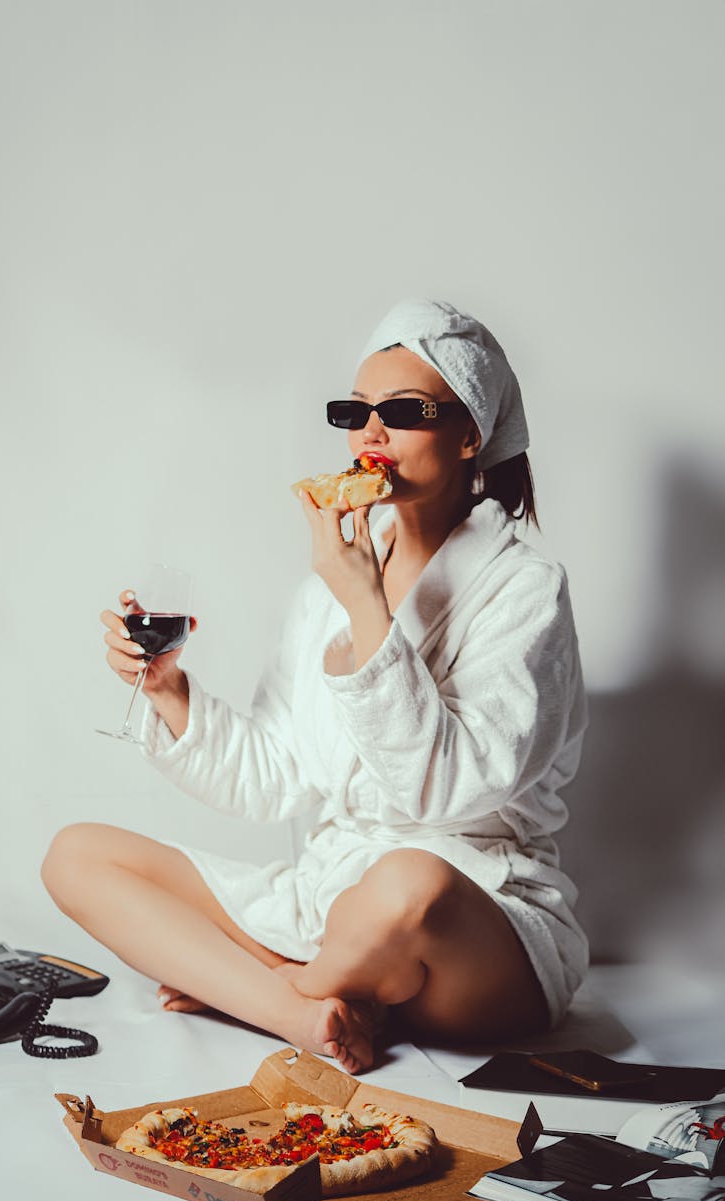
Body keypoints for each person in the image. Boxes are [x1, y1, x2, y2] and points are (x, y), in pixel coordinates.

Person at [41, 298, 589, 1075]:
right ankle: (305, 1011)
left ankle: (256, 992)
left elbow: (446, 792)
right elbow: (275, 777)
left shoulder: (524, 588)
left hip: (471, 926)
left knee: (406, 882)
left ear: (471, 433)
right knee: (77, 855)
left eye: (403, 411)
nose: (369, 433)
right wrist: (169, 692)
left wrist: (367, 604)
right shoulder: (325, 590)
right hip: (331, 902)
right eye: (354, 411)